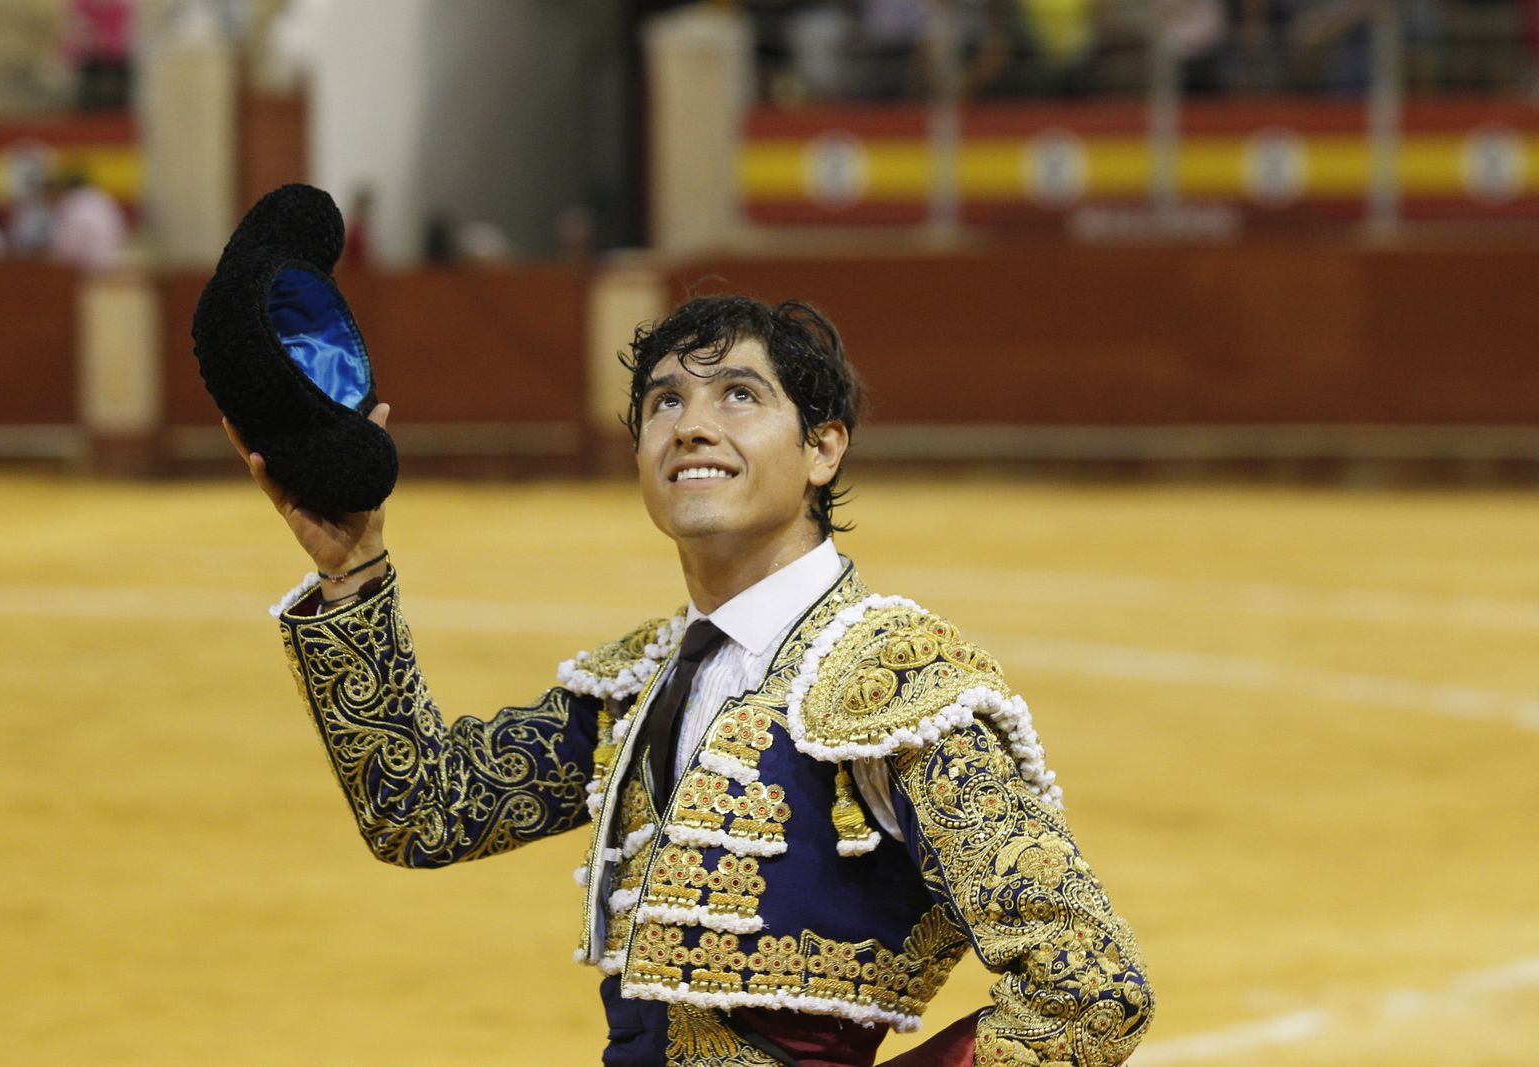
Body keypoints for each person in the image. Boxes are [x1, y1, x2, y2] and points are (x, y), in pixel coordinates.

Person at [228, 295, 1154, 1066]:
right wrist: (353, 566)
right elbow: (424, 808)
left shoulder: (893, 687)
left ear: (824, 449)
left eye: (739, 395)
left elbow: (1090, 988)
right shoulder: (642, 681)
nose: (692, 425)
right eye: (663, 403)